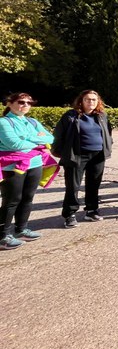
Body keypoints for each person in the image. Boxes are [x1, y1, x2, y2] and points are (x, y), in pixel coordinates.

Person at [0, 93, 56, 250]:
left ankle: (21, 230)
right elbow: (14, 144)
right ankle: (3, 236)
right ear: (9, 104)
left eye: (29, 103)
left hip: (35, 163)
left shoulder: (32, 121)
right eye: (21, 102)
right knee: (11, 200)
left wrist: (27, 139)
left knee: (28, 198)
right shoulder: (4, 122)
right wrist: (37, 139)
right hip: (12, 166)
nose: (25, 105)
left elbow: (50, 139)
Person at [53, 90, 113, 228]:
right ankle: (69, 214)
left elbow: (108, 133)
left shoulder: (102, 115)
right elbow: (58, 134)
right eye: (87, 99)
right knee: (73, 186)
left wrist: (108, 147)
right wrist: (61, 152)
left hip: (98, 156)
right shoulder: (71, 116)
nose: (91, 102)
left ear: (98, 102)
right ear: (81, 101)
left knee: (94, 184)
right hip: (77, 155)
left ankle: (91, 210)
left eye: (94, 100)